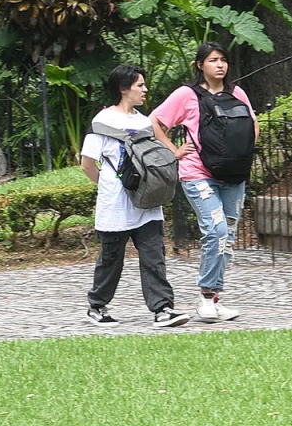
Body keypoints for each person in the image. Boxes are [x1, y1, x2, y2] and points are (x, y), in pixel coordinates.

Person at [151, 41, 258, 323]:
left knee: (228, 237)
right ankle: (206, 296)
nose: (220, 65)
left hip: (234, 175)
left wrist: (238, 154)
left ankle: (215, 297)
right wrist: (174, 151)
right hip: (198, 173)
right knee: (217, 230)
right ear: (200, 65)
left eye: (223, 60)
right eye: (213, 60)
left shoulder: (237, 93)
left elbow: (253, 126)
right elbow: (156, 122)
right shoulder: (186, 95)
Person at [81, 65, 190, 328]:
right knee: (111, 259)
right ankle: (97, 306)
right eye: (140, 85)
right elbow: (87, 164)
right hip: (116, 205)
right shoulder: (102, 123)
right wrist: (110, 186)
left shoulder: (143, 122)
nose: (145, 90)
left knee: (154, 256)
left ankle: (163, 309)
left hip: (147, 201)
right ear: (123, 89)